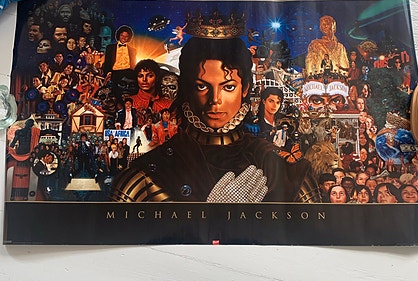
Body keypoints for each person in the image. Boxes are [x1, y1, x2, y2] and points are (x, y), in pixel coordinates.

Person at [111, 33, 313, 203]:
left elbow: (313, 234)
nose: (215, 99)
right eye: (202, 86)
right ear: (187, 88)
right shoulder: (142, 177)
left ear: (245, 89)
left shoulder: (281, 168)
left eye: (228, 87)